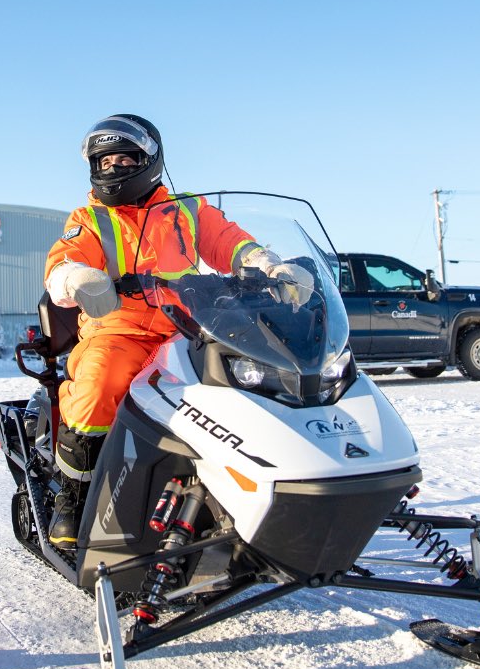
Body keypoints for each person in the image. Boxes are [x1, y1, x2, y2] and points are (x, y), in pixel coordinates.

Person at [43, 114, 313, 545]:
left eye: (125, 159)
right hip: (119, 329)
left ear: (149, 160)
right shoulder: (90, 217)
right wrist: (75, 278)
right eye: (105, 161)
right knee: (99, 385)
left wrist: (267, 265)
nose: (114, 168)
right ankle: (73, 501)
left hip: (187, 328)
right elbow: (65, 258)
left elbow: (231, 243)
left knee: (243, 390)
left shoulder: (188, 209)